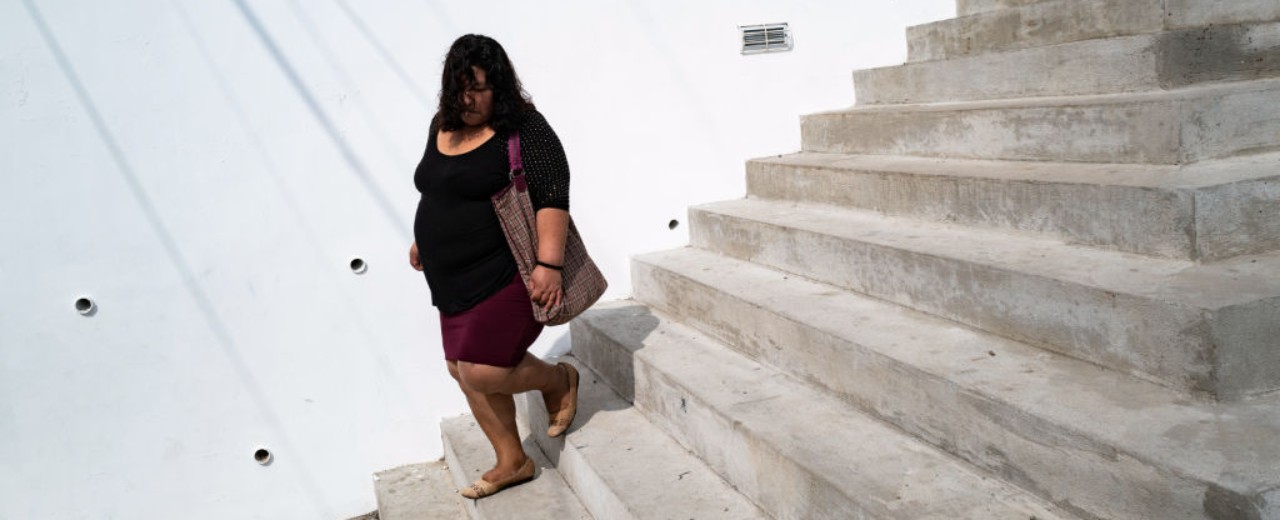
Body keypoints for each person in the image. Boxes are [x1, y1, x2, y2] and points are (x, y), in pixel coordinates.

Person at [408, 34, 579, 499]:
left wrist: (550, 263)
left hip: (507, 272)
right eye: (461, 87)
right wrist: (422, 238)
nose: (469, 99)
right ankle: (513, 459)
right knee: (458, 367)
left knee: (481, 369)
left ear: (498, 85)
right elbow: (436, 188)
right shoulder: (441, 124)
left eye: (480, 87)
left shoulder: (524, 128)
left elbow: (552, 195)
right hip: (451, 277)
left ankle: (556, 379)